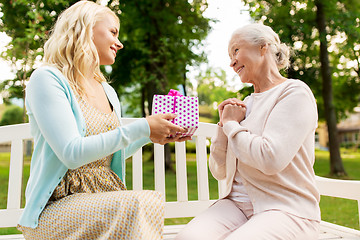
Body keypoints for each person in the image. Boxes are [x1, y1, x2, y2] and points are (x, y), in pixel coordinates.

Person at [17, 1, 190, 239]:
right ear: (86, 29)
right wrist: (142, 125)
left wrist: (147, 135)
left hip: (104, 201)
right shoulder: (47, 79)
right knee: (138, 203)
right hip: (56, 209)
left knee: (145, 202)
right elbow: (72, 153)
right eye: (113, 32)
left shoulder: (106, 90)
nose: (119, 43)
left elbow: (107, 154)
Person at [176, 23, 320, 240]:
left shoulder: (294, 93)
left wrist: (233, 125)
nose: (231, 62)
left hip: (285, 208)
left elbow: (270, 159)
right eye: (229, 55)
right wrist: (224, 127)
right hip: (237, 206)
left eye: (236, 50)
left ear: (263, 47)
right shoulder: (244, 105)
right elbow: (219, 171)